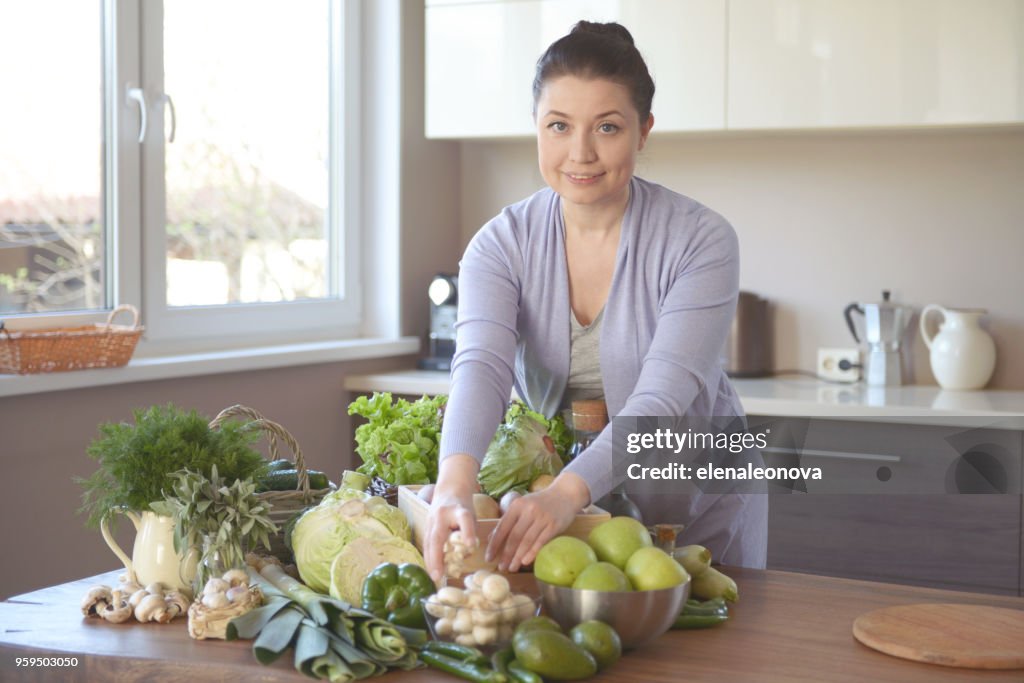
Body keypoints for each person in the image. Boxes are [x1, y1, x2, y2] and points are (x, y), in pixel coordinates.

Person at [424, 21, 767, 583]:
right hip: (566, 514)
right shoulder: (499, 244)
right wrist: (454, 487)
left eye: (607, 127)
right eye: (558, 125)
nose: (580, 152)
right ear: (537, 127)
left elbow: (662, 397)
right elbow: (481, 365)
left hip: (692, 500)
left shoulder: (702, 240)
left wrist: (565, 495)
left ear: (643, 131)